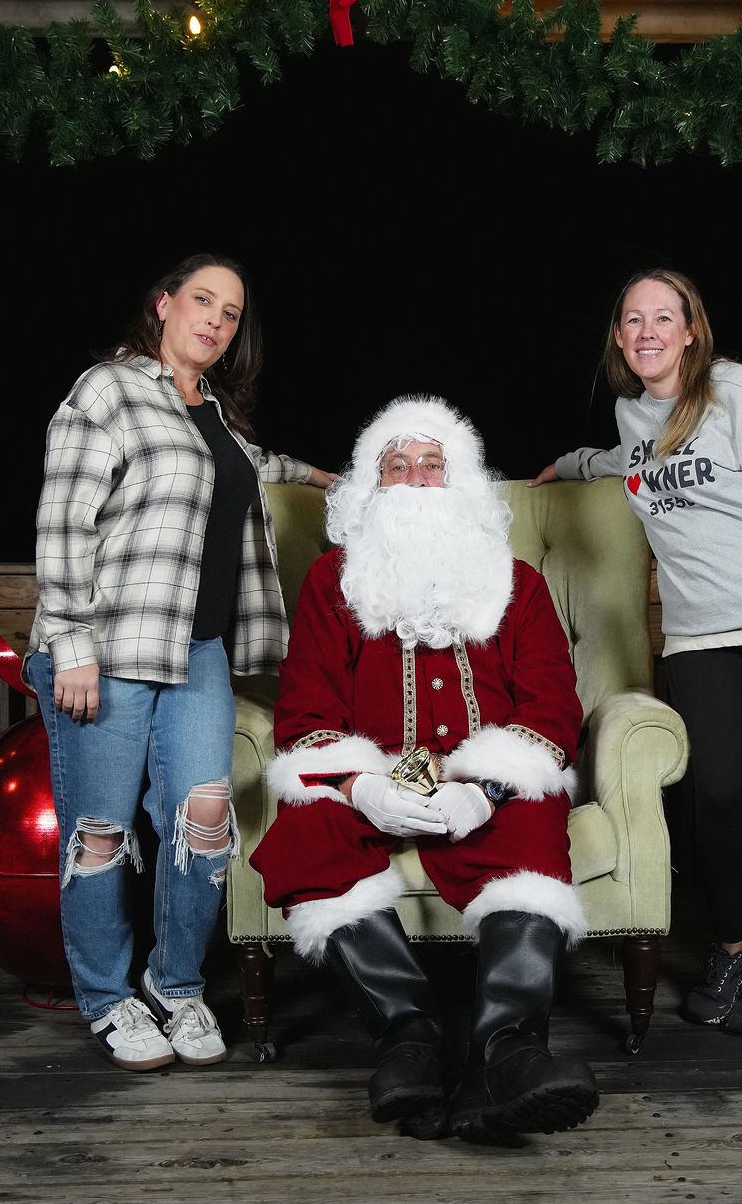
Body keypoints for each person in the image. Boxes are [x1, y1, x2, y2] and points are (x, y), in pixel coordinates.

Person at [248, 394, 600, 1144]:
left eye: (431, 465)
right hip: (379, 771)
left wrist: (487, 785)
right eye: (396, 465)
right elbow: (305, 711)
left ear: (460, 482)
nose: (413, 479)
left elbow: (551, 708)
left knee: (534, 819)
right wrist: (361, 785)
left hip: (486, 776)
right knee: (308, 824)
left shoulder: (518, 585)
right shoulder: (331, 584)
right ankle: (408, 1037)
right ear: (373, 486)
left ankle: (509, 1051)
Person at [22, 251, 336, 1072]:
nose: (216, 321)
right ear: (163, 305)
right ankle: (105, 997)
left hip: (197, 653)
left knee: (203, 821)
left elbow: (252, 472)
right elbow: (64, 524)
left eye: (230, 313)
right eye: (203, 301)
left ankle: (178, 984)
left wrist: (329, 477)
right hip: (107, 649)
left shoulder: (216, 417)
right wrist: (71, 645)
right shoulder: (109, 391)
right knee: (100, 831)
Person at [530, 267, 742, 1037]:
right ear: (618, 337)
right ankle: (732, 947)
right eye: (632, 320)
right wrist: (573, 465)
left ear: (691, 329)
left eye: (662, 318)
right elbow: (630, 465)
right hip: (698, 639)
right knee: (717, 798)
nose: (646, 332)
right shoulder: (634, 416)